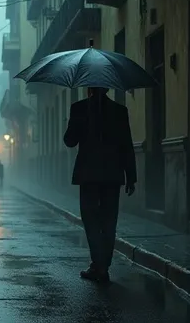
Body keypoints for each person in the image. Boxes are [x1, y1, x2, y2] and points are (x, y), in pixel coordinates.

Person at [64, 87, 136, 283]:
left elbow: (69, 141)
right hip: (113, 174)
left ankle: (98, 265)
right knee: (109, 221)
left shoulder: (79, 108)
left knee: (91, 220)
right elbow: (127, 145)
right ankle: (103, 265)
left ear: (88, 88)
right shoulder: (119, 111)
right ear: (107, 88)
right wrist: (131, 176)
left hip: (88, 175)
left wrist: (72, 124)